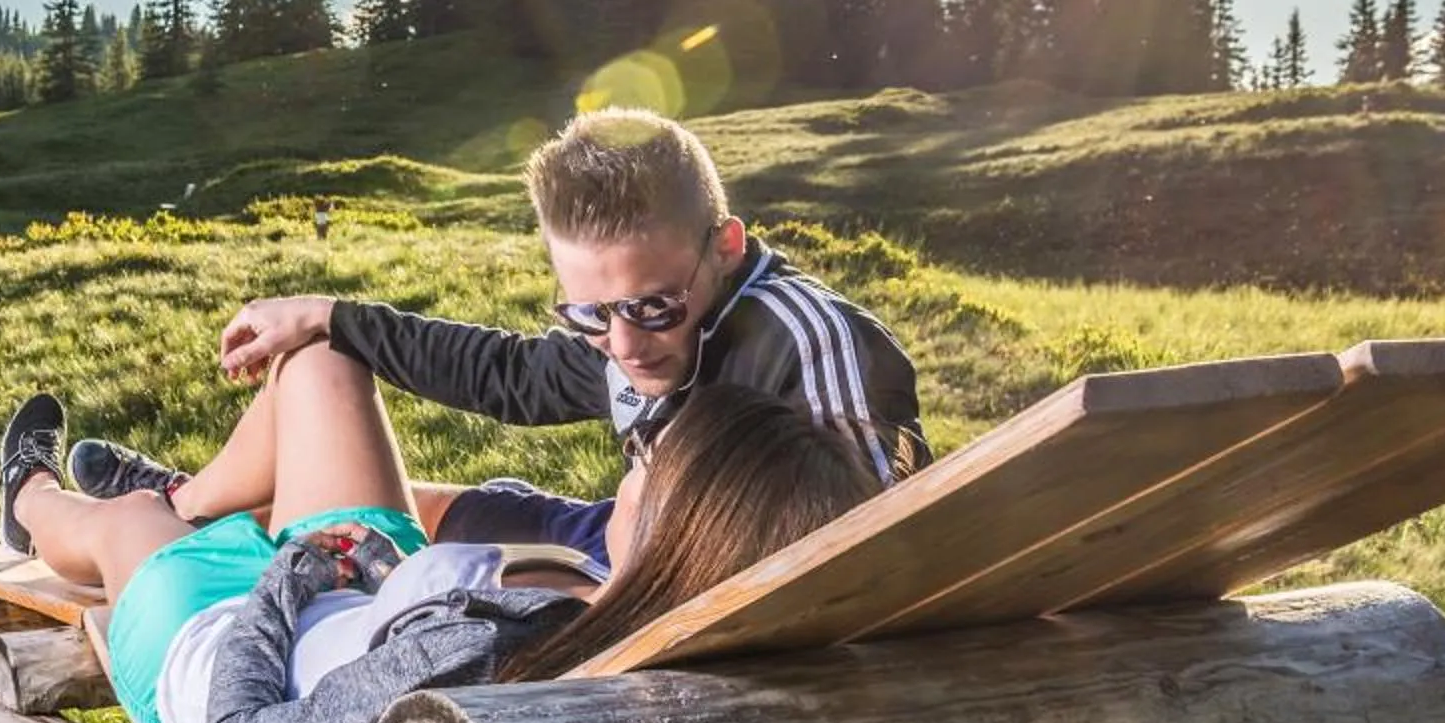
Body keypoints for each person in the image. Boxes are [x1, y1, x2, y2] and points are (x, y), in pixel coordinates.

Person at [0, 346, 876, 723]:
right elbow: (409, 629)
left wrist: (287, 573)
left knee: (123, 528)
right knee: (322, 365)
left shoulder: (492, 645)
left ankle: (30, 497)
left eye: (661, 458)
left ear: (689, 522)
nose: (638, 456)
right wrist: (370, 566)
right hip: (353, 594)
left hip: (225, 650)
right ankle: (189, 501)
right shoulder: (599, 607)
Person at [67, 107, 924, 573]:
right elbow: (507, 375)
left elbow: (868, 559)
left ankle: (152, 518)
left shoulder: (812, 350)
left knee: (381, 536)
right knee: (415, 509)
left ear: (725, 249)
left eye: (653, 306)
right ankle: (178, 504)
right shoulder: (624, 332)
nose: (623, 346)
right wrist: (333, 317)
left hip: (661, 579)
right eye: (589, 314)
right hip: (613, 535)